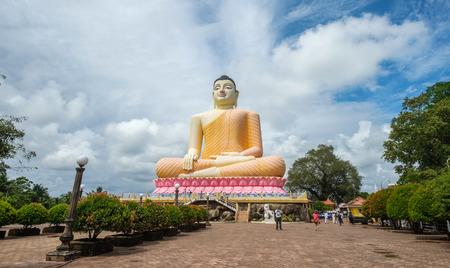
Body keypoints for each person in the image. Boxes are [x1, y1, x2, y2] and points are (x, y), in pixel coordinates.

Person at [155, 75, 286, 178]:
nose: (222, 90)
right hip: (209, 163)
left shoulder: (249, 114)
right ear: (213, 95)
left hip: (241, 160)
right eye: (217, 88)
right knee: (162, 165)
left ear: (236, 94)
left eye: (228, 88)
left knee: (276, 162)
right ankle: (215, 168)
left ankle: (203, 176)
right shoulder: (198, 117)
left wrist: (238, 156)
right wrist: (190, 155)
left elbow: (257, 150)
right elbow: (194, 148)